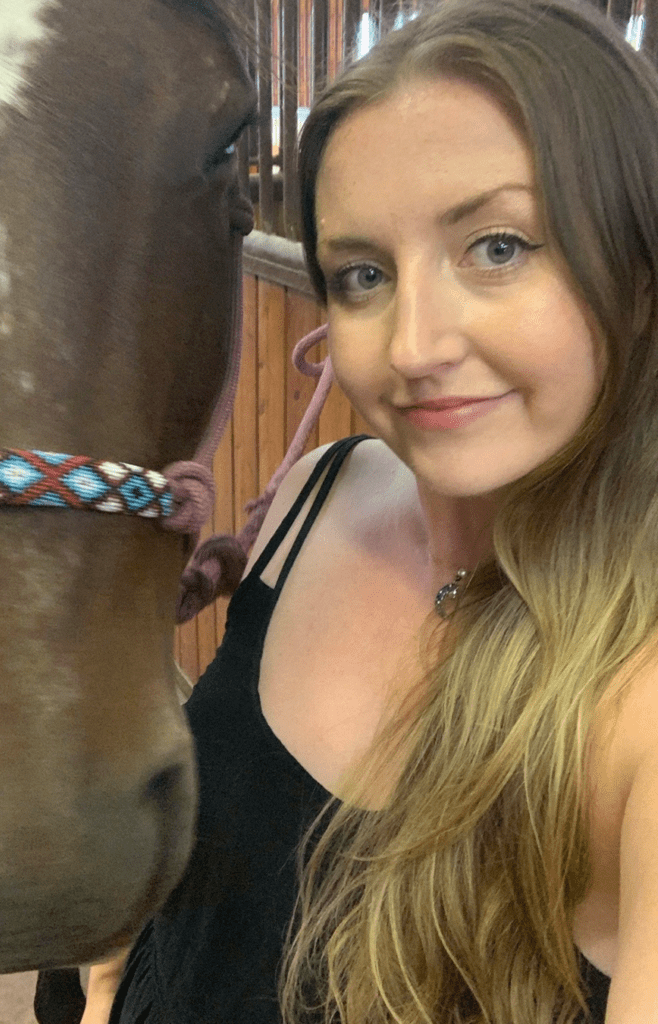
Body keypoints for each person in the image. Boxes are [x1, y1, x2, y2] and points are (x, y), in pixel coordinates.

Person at [109, 0, 658, 1020]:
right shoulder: (317, 493)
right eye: (363, 274)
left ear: (636, 273)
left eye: (497, 247)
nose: (412, 347)